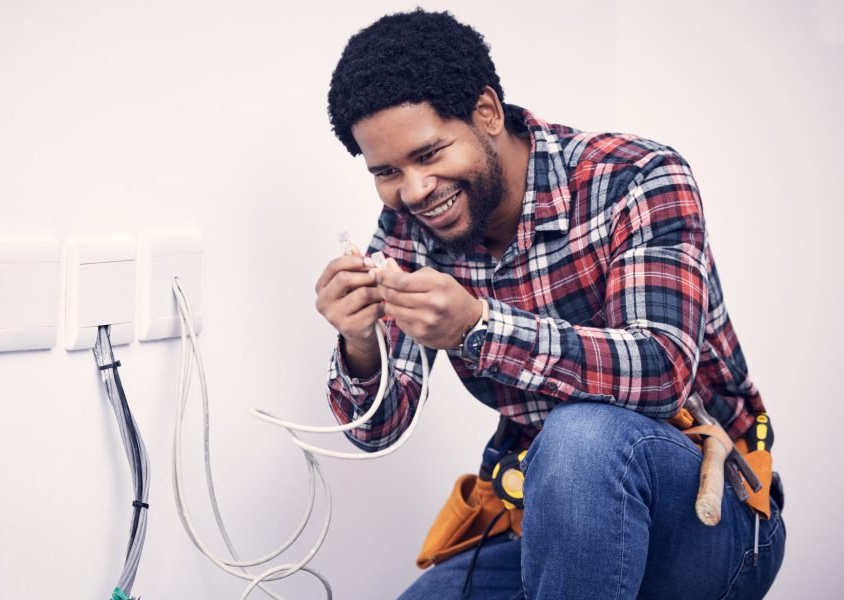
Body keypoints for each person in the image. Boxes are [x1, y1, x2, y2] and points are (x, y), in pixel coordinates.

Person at [315, 9, 785, 600]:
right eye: (387, 172)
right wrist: (360, 343)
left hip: (712, 510)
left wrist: (479, 327)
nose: (413, 190)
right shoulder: (409, 226)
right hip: (545, 521)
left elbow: (662, 371)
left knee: (581, 436)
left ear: (486, 112)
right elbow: (378, 431)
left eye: (430, 154)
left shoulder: (637, 178)